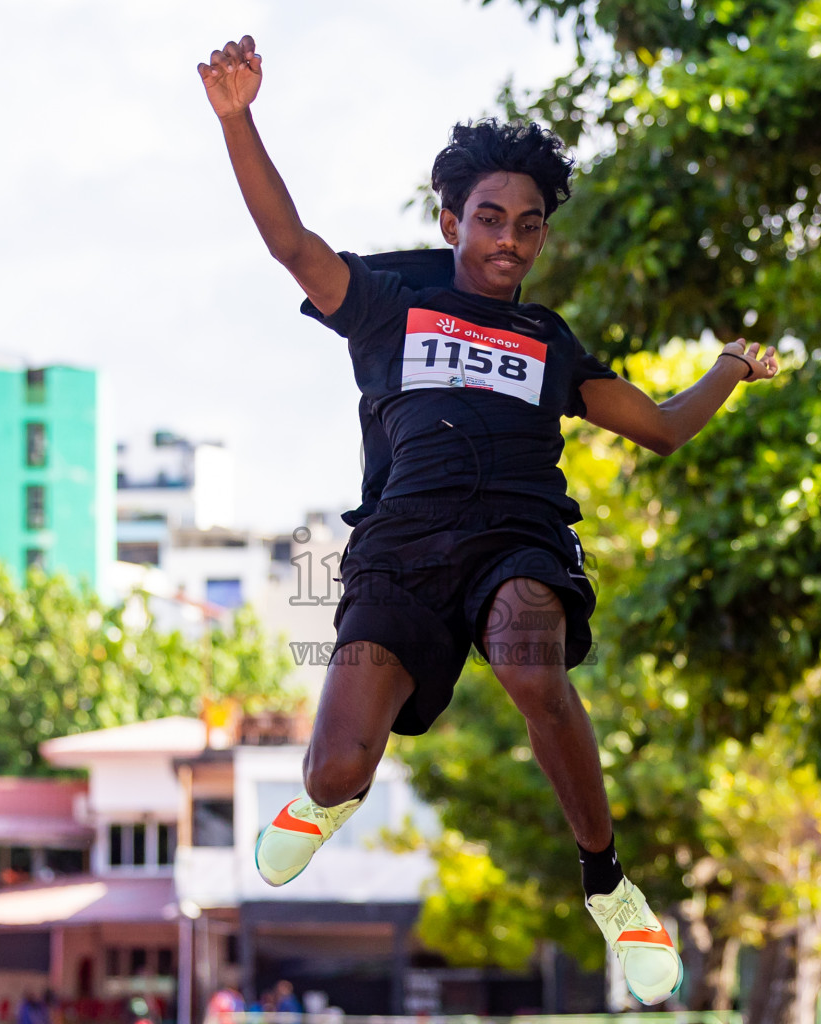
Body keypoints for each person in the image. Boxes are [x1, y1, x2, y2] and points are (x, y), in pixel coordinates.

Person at [197, 34, 780, 1007]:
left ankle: (609, 883)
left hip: (517, 535)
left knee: (527, 656)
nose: (510, 239)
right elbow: (290, 245)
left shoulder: (546, 339)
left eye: (530, 225)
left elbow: (663, 428)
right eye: (490, 218)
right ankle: (325, 799)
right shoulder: (392, 303)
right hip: (399, 549)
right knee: (339, 764)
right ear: (451, 218)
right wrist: (237, 117)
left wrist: (726, 366)